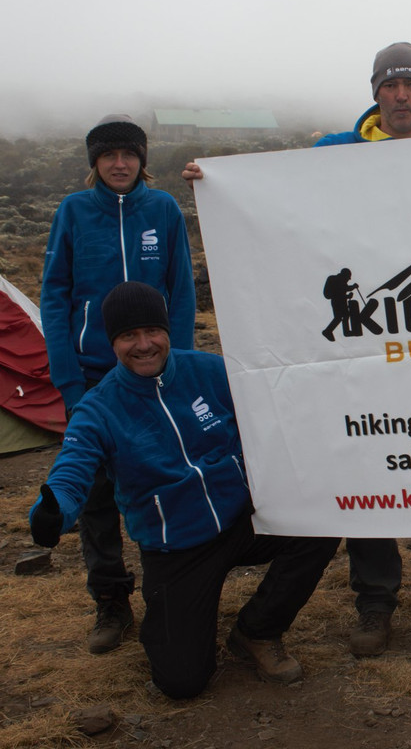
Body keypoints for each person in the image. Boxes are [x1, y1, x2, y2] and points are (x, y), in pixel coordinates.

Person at [183, 43, 411, 658]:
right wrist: (216, 182)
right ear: (376, 93)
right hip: (365, 338)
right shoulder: (332, 154)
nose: (400, 95)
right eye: (390, 85)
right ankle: (375, 602)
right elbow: (272, 198)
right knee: (370, 460)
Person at [29, 282, 339, 699]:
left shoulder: (209, 372)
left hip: (244, 518)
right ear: (112, 342)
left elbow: (276, 412)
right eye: (128, 336)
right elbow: (72, 469)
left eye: (151, 332)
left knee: (319, 521)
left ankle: (257, 631)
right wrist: (54, 510)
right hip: (177, 546)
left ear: (167, 331)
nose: (143, 345)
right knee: (182, 681)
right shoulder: (99, 409)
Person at [40, 114, 196, 654]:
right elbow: (54, 295)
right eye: (109, 156)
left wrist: (185, 366)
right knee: (98, 496)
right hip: (91, 373)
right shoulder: (75, 212)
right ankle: (110, 601)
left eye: (129, 155)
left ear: (143, 159)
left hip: (156, 371)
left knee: (164, 479)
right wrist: (67, 381)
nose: (120, 164)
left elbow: (180, 290)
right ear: (95, 163)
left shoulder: (165, 210)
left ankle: (170, 588)